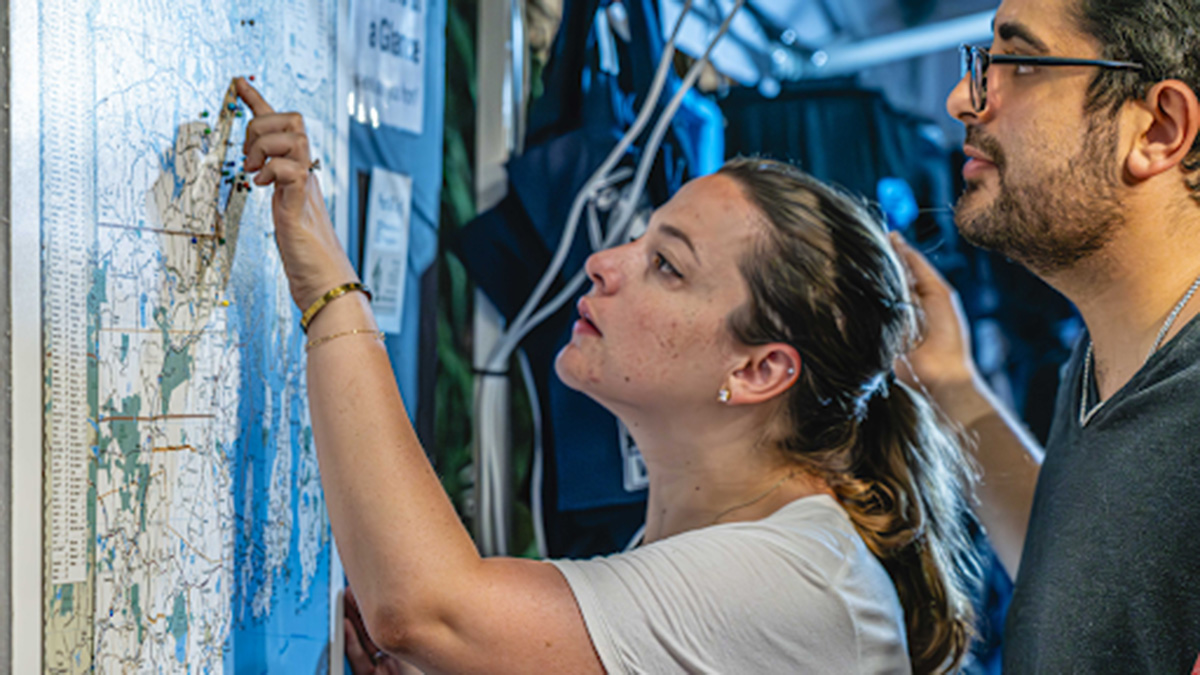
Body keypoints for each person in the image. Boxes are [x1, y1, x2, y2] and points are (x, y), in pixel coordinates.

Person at [235, 77, 980, 674]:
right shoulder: (725, 547)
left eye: (666, 265)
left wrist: (328, 287)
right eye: (640, 237)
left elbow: (425, 607)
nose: (602, 261)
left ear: (759, 369)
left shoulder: (798, 578)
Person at [891, 0, 1200, 670]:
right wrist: (950, 384)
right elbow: (1101, 590)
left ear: (1158, 128)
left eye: (1020, 61)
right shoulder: (1109, 348)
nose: (960, 99)